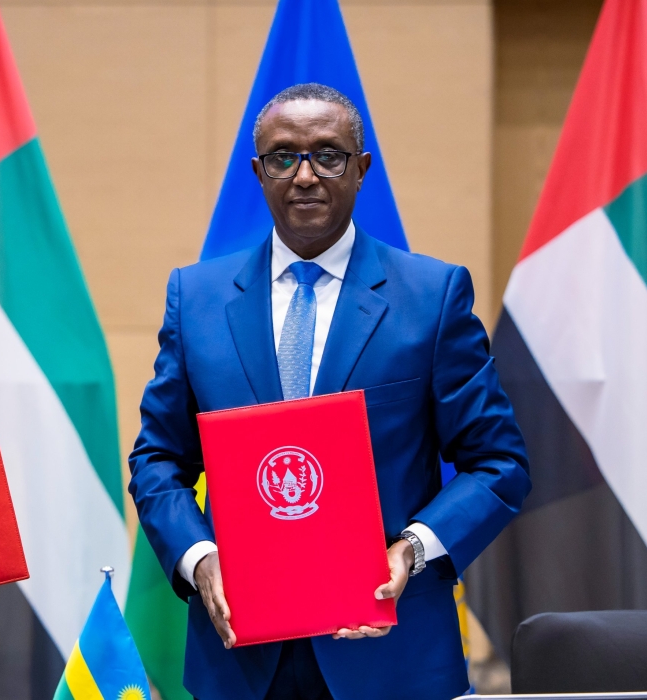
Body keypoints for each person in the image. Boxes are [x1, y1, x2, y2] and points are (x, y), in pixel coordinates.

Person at [128, 84, 531, 700]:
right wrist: (199, 557)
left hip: (388, 653)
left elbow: (498, 463)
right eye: (284, 157)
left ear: (362, 169)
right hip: (240, 655)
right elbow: (157, 460)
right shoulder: (197, 300)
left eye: (329, 155)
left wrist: (411, 551)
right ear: (259, 173)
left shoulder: (432, 296)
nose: (306, 175)